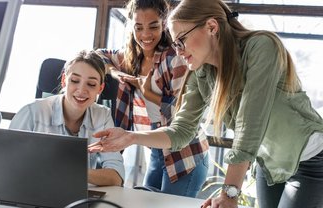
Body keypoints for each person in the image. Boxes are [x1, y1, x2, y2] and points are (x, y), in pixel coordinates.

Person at [90, 0, 323, 207]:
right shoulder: (202, 73)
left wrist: (229, 192)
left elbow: (250, 122)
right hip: (270, 164)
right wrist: (132, 137)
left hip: (311, 161)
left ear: (211, 27)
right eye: (175, 45)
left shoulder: (261, 47)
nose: (178, 52)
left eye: (181, 41)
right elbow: (181, 130)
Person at [96, 0, 209, 198]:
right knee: (146, 201)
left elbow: (184, 111)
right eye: (139, 27)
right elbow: (98, 55)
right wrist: (114, 72)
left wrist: (148, 93)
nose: (146, 35)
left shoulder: (175, 57)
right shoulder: (130, 58)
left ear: (164, 24)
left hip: (185, 153)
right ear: (131, 25)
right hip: (157, 149)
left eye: (154, 26)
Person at [9, 50, 124, 187]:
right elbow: (7, 167)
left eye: (91, 84)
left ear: (100, 88)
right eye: (75, 81)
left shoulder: (102, 116)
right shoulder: (31, 113)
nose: (81, 90)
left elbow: (116, 176)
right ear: (64, 80)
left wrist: (71, 171)